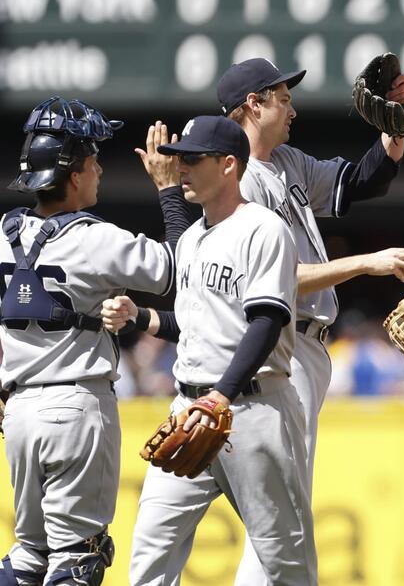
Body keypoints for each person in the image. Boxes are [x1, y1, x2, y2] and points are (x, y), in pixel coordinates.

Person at [216, 57, 404, 584]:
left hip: (307, 347)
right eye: (282, 98)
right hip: (278, 343)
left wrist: (394, 125)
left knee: (280, 510)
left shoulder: (285, 161)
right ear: (253, 105)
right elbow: (272, 280)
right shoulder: (238, 181)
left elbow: (359, 184)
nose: (292, 108)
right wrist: (365, 264)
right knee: (281, 512)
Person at [102, 115, 314, 585]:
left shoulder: (264, 230)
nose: (182, 169)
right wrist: (140, 316)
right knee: (151, 551)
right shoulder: (194, 238)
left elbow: (267, 320)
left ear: (228, 165)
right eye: (180, 159)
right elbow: (199, 327)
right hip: (189, 406)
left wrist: (220, 394)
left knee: (284, 563)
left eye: (193, 159)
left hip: (253, 407)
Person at [0, 97, 183, 585]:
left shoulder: (3, 232)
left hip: (18, 412)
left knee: (28, 555)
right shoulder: (94, 239)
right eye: (92, 159)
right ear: (74, 175)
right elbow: (179, 268)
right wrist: (168, 190)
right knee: (78, 556)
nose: (100, 168)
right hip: (76, 406)